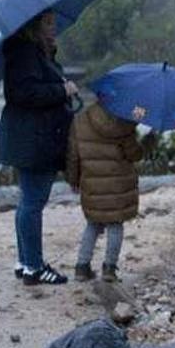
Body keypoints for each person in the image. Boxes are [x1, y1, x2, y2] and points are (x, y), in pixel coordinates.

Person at [0, 10, 79, 285]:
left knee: (28, 202)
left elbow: (32, 88)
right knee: (33, 203)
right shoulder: (25, 54)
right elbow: (23, 94)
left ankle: (25, 262)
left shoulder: (35, 53)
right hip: (34, 140)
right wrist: (62, 91)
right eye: (48, 23)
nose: (53, 28)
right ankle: (34, 266)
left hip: (33, 138)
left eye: (54, 22)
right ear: (33, 26)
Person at [65, 102, 154, 282]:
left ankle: (82, 268)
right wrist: (149, 141)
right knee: (115, 225)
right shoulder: (124, 122)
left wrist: (73, 179)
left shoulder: (80, 120)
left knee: (92, 224)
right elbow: (134, 154)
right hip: (118, 185)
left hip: (91, 182)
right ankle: (109, 269)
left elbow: (73, 155)